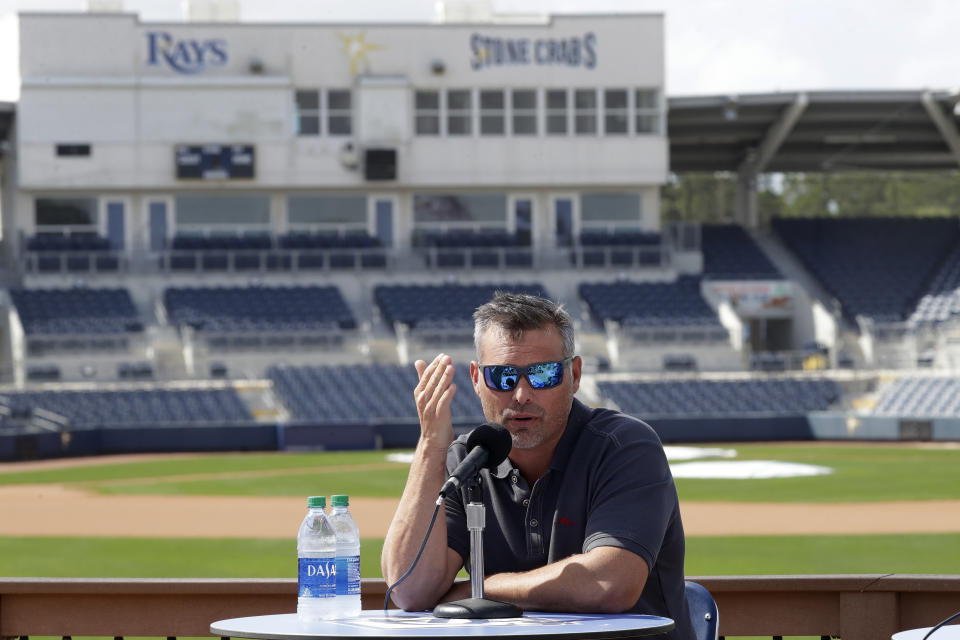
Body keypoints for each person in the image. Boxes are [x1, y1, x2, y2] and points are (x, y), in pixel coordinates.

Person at [381, 292, 693, 640]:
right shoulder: (465, 461)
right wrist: (430, 446)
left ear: (574, 375)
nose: (521, 394)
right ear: (475, 379)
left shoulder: (624, 447)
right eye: (502, 376)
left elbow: (608, 585)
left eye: (543, 375)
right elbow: (409, 589)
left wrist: (484, 589)